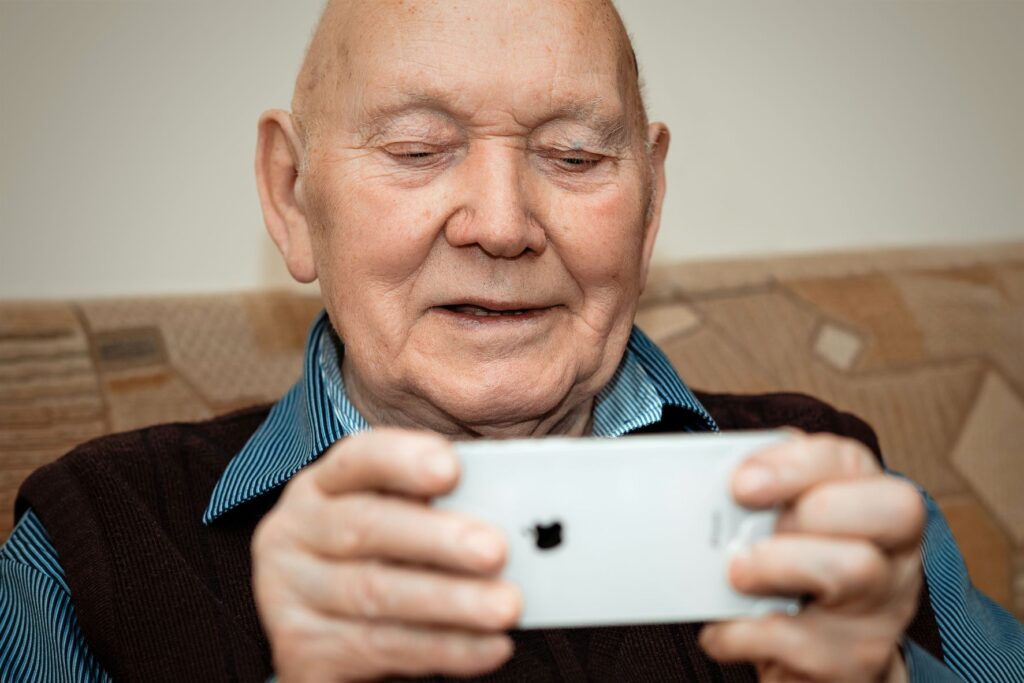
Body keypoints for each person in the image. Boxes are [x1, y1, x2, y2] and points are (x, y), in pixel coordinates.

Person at [1, 1, 1021, 681]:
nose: (499, 221)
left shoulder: (829, 490)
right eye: (416, 149)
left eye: (575, 155)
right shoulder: (91, 540)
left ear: (650, 197)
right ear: (291, 195)